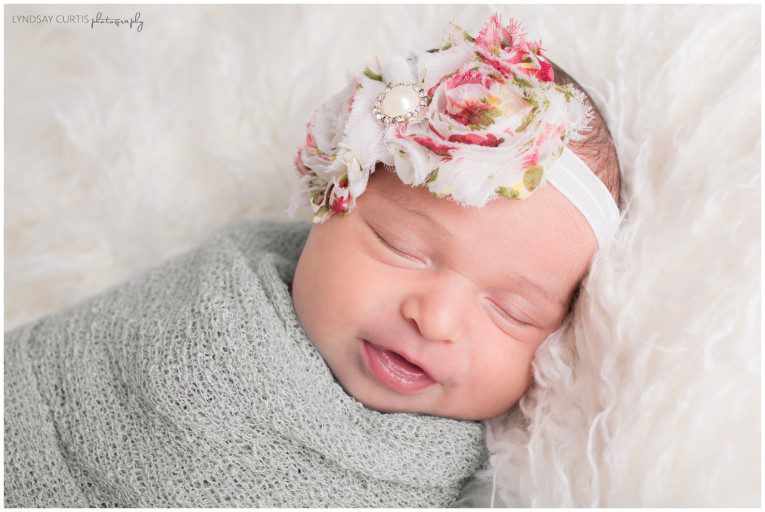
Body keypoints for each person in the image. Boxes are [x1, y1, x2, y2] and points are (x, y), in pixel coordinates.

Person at [4, 13, 622, 507]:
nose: (434, 320)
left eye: (511, 312)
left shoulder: (474, 473)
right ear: (332, 202)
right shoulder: (215, 308)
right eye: (401, 248)